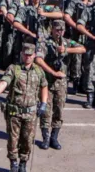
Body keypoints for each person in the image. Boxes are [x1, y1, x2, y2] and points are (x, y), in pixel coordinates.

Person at [0, 43, 48, 172]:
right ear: (21, 54)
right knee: (13, 140)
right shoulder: (14, 69)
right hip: (14, 112)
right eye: (26, 54)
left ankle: (23, 164)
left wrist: (43, 103)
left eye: (30, 55)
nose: (28, 57)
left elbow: (44, 86)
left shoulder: (39, 71)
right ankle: (13, 164)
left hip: (30, 112)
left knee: (27, 140)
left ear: (34, 55)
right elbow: (4, 83)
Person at [35, 20, 86, 150]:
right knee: (45, 111)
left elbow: (83, 49)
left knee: (59, 111)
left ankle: (54, 137)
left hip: (61, 84)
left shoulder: (67, 42)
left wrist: (66, 50)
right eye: (57, 30)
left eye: (62, 30)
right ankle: (45, 138)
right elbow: (38, 59)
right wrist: (52, 72)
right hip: (47, 82)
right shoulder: (44, 42)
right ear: (52, 29)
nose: (59, 33)